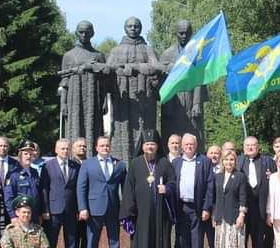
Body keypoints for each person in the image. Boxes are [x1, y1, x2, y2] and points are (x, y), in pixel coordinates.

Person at [121, 130, 176, 248]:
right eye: (147, 144)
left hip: (160, 213)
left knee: (161, 242)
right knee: (142, 243)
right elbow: (129, 189)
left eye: (152, 144)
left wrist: (167, 189)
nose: (150, 147)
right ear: (142, 146)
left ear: (157, 146)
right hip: (141, 214)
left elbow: (173, 183)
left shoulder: (164, 163)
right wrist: (129, 211)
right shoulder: (135, 163)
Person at [106, 16, 164, 160]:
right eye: (130, 26)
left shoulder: (147, 49)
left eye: (136, 26)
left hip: (145, 97)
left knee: (145, 128)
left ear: (141, 28)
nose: (133, 29)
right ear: (125, 28)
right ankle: (121, 161)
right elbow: (108, 71)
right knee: (122, 131)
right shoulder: (116, 50)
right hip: (123, 97)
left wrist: (137, 68)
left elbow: (157, 66)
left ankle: (145, 161)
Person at [77, 136, 126, 248]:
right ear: (96, 148)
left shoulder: (119, 165)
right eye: (102, 146)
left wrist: (125, 208)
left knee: (114, 240)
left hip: (113, 207)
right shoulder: (87, 164)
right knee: (92, 240)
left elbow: (125, 189)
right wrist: (82, 208)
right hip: (93, 209)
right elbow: (81, 188)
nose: (105, 148)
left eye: (107, 146)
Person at [59, 20, 111, 144]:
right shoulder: (69, 55)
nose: (84, 35)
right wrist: (63, 103)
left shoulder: (99, 56)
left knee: (94, 127)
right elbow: (64, 82)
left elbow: (104, 83)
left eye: (87, 32)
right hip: (74, 98)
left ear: (92, 33)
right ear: (77, 33)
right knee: (75, 127)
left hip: (94, 99)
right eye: (81, 32)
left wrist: (105, 101)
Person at [172, 133, 215, 248]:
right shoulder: (176, 162)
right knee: (184, 240)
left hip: (197, 207)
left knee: (196, 240)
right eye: (186, 144)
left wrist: (206, 208)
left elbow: (210, 186)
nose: (189, 147)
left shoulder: (204, 161)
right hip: (181, 207)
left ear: (196, 146)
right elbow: (173, 184)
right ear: (182, 146)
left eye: (192, 144)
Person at [159, 20, 208, 146]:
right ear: (176, 33)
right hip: (174, 102)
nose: (184, 36)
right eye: (181, 33)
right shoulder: (167, 54)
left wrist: (197, 103)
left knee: (194, 134)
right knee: (172, 136)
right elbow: (162, 82)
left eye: (187, 33)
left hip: (192, 99)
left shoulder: (197, 53)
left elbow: (200, 78)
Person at [43, 139, 80, 248]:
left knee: (71, 241)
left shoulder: (75, 166)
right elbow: (44, 189)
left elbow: (78, 189)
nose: (65, 151)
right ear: (56, 149)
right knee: (51, 242)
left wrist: (79, 208)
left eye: (67, 149)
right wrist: (45, 209)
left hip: (71, 210)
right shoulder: (48, 166)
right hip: (53, 210)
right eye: (62, 148)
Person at [239, 136, 274, 248]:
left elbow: (276, 181)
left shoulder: (268, 161)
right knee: (240, 242)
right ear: (243, 147)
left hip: (260, 208)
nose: (250, 148)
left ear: (258, 147)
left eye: (253, 145)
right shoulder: (238, 161)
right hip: (242, 209)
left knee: (258, 242)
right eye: (247, 145)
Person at [213, 149, 248, 248]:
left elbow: (243, 197)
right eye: (226, 160)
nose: (229, 162)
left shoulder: (239, 176)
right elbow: (216, 198)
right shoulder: (218, 176)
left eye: (232, 160)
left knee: (232, 247)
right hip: (221, 216)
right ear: (223, 161)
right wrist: (215, 215)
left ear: (235, 162)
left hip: (234, 217)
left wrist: (242, 214)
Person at [4, 141, 45, 222]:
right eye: (26, 154)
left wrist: (39, 213)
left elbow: (38, 195)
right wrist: (12, 216)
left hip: (34, 216)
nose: (28, 156)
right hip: (20, 216)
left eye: (31, 154)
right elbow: (8, 197)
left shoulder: (35, 172)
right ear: (20, 155)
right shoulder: (13, 174)